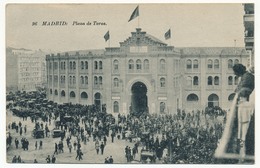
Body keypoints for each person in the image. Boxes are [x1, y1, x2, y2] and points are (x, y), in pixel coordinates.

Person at [233, 64, 254, 162]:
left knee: (245, 126)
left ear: (238, 71)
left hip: (246, 106)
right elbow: (239, 89)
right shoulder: (245, 76)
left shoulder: (247, 77)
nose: (234, 73)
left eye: (235, 71)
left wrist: (238, 91)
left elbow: (243, 91)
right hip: (246, 105)